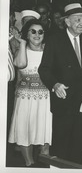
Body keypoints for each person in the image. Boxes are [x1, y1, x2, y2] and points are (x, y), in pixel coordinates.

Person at [38, 3, 82, 163]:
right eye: (77, 20)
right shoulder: (55, 41)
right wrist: (55, 85)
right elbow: (44, 69)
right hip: (63, 102)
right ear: (67, 22)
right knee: (62, 147)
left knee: (79, 145)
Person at [8, 19, 52, 167]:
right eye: (32, 31)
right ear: (27, 34)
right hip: (25, 96)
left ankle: (45, 163)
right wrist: (22, 43)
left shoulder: (49, 50)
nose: (37, 34)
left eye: (40, 32)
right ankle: (29, 164)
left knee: (44, 129)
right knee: (25, 129)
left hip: (45, 97)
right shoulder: (22, 49)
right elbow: (20, 65)